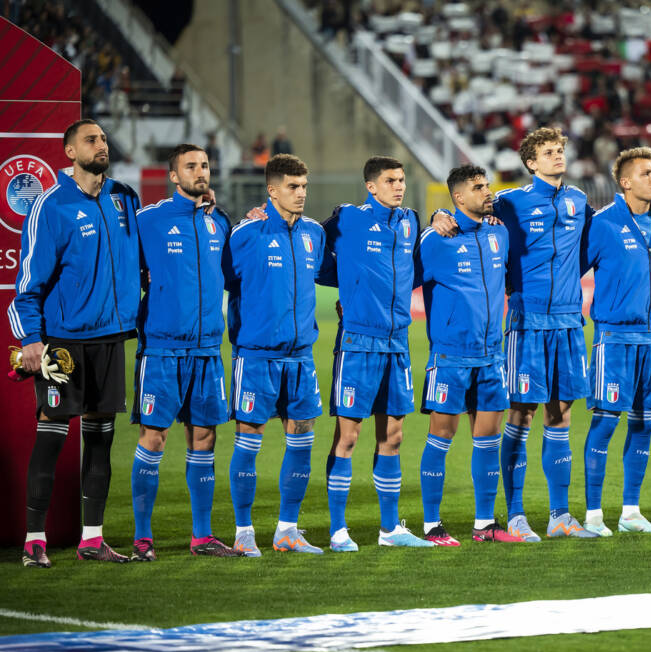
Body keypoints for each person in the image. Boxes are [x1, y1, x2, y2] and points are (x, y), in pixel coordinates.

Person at [9, 119, 140, 566]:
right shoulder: (51, 205)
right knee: (51, 438)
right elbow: (27, 283)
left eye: (103, 139)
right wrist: (30, 339)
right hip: (63, 344)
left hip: (109, 340)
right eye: (91, 139)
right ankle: (33, 541)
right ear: (69, 152)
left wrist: (202, 206)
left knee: (100, 440)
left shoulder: (123, 197)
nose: (101, 145)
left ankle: (92, 539)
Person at [129, 143, 242, 560]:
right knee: (153, 439)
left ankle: (202, 536)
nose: (201, 171)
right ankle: (143, 538)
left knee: (204, 437)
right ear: (173, 176)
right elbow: (127, 270)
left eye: (205, 165)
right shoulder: (150, 220)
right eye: (190, 166)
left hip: (208, 350)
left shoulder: (218, 223)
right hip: (161, 349)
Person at [318, 156, 434, 550]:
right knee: (347, 437)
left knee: (394, 435)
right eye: (389, 181)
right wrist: (349, 287)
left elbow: (414, 268)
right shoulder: (348, 218)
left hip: (397, 342)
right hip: (358, 342)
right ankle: (337, 530)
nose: (398, 186)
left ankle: (389, 530)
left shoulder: (409, 221)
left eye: (401, 180)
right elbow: (312, 249)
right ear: (371, 186)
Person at [491, 127, 598, 540]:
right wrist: (438, 216)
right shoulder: (509, 203)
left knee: (561, 414)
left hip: (569, 321)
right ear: (530, 162)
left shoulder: (578, 200)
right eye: (548, 152)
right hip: (527, 319)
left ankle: (559, 517)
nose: (557, 157)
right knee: (522, 412)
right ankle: (516, 515)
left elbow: (592, 244)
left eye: (560, 150)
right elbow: (473, 226)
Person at [223, 153, 326, 556]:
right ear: (272, 190)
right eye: (292, 187)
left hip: (301, 356)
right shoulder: (245, 234)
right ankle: (244, 530)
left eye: (304, 187)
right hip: (256, 355)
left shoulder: (313, 233)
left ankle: (287, 530)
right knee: (249, 438)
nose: (301, 194)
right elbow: (225, 280)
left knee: (301, 438)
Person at [415, 165, 522, 545]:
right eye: (478, 187)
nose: (487, 191)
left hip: (492, 357)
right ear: (458, 197)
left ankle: (484, 525)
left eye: (487, 185)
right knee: (441, 437)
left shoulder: (499, 233)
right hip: (450, 356)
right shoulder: (435, 239)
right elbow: (401, 276)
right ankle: (431, 525)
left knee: (488, 440)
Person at [578, 147, 651, 536]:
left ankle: (631, 512)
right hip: (614, 338)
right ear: (625, 181)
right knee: (605, 423)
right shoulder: (603, 223)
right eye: (646, 173)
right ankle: (594, 515)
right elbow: (570, 268)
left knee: (645, 424)